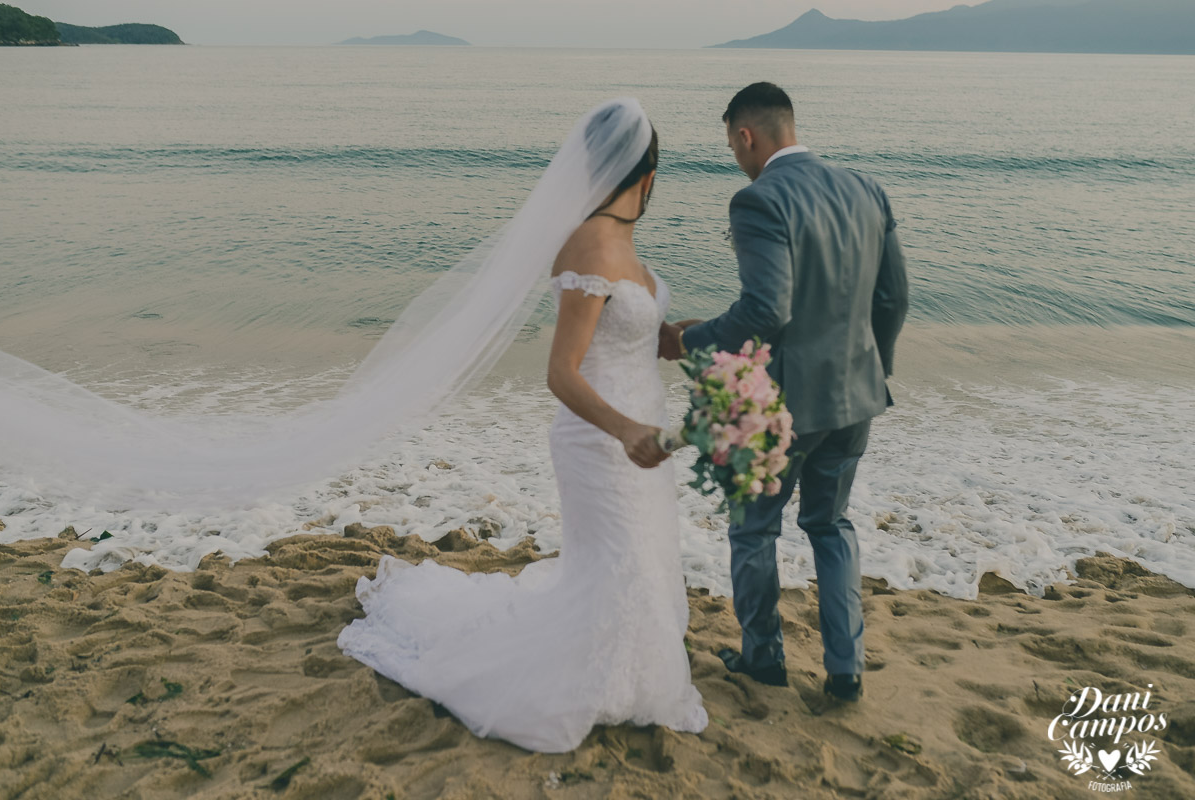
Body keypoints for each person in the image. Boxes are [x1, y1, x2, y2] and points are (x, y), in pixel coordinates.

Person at [338, 98, 708, 752]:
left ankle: (636, 673)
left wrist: (696, 339)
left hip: (645, 435)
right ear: (647, 170)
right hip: (603, 442)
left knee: (644, 560)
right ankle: (593, 678)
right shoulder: (588, 244)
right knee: (617, 563)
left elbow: (635, 338)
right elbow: (563, 373)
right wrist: (625, 431)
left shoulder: (621, 241)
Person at [659, 82, 908, 702]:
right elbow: (893, 298)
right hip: (856, 395)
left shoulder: (758, 200)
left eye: (731, 145)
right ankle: (845, 669)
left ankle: (764, 658)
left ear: (747, 135)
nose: (735, 158)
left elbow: (766, 309)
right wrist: (871, 364)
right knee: (831, 525)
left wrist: (690, 342)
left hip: (782, 406)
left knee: (754, 530)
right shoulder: (865, 188)